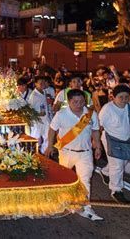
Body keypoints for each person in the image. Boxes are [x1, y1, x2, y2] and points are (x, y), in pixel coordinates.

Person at [45, 89, 103, 221]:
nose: (79, 104)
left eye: (82, 101)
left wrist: (98, 146)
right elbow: (52, 129)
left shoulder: (90, 114)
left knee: (85, 180)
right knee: (64, 180)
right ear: (69, 102)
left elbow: (95, 131)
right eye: (75, 101)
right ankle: (63, 201)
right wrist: (49, 146)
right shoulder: (61, 114)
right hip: (66, 152)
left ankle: (86, 206)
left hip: (86, 153)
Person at [98, 84, 130, 203]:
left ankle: (105, 171)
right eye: (121, 97)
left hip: (126, 140)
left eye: (126, 97)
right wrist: (97, 143)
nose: (124, 100)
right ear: (113, 97)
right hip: (110, 139)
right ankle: (116, 190)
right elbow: (99, 126)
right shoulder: (107, 109)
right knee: (118, 165)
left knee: (122, 163)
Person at [27, 76, 51, 153]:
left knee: (48, 136)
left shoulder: (44, 92)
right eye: (40, 83)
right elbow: (29, 109)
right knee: (35, 137)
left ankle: (44, 152)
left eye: (44, 83)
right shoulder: (33, 95)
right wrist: (37, 114)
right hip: (37, 120)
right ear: (36, 84)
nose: (42, 84)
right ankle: (34, 153)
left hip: (45, 119)